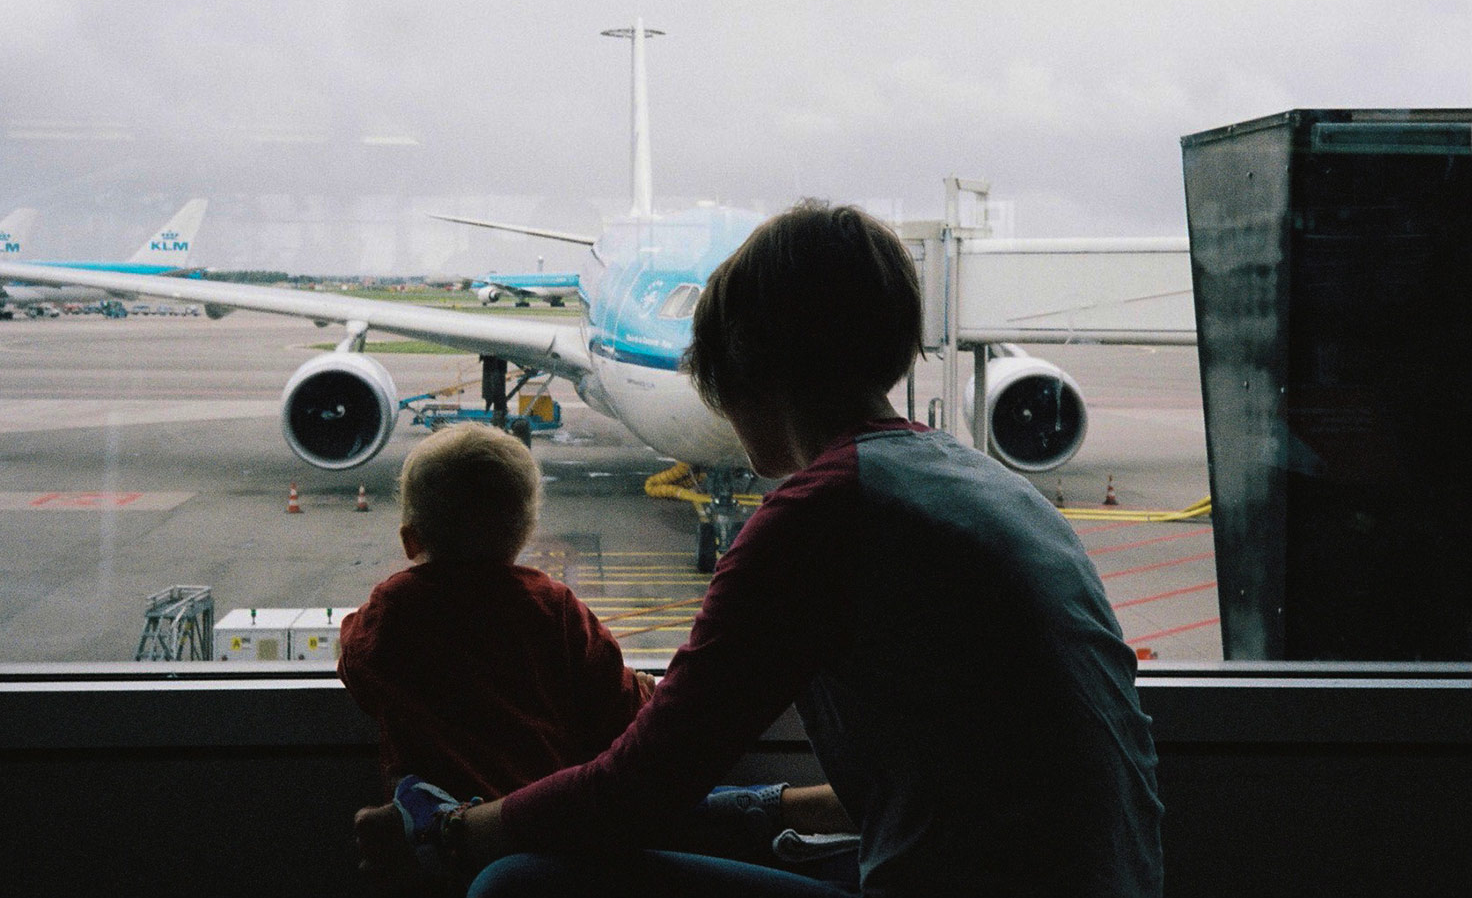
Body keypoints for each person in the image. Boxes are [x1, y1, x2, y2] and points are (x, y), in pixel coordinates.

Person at [358, 201, 1165, 897]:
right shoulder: (980, 483)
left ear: (740, 363)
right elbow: (966, 788)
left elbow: (640, 786)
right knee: (716, 816)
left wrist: (457, 831)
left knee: (512, 881)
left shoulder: (822, 512)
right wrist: (763, 807)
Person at [338, 421, 655, 801]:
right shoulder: (556, 608)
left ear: (410, 541)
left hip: (439, 829)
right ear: (524, 535)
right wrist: (644, 689)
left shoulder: (396, 606)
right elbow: (617, 708)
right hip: (538, 816)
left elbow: (355, 663)